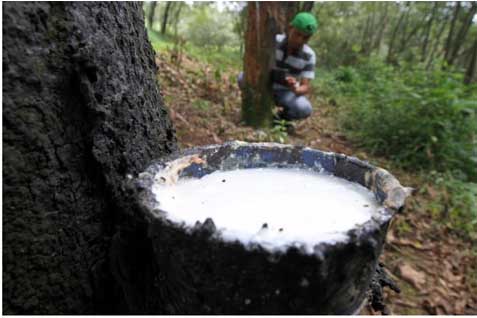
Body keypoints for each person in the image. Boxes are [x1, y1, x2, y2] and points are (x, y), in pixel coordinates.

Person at [239, 12, 318, 125]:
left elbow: (305, 86)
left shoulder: (309, 55)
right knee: (242, 77)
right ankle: (254, 109)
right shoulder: (273, 41)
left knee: (304, 108)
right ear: (290, 28)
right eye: (297, 34)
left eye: (305, 37)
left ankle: (278, 120)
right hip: (264, 85)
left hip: (284, 92)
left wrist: (295, 88)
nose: (300, 40)